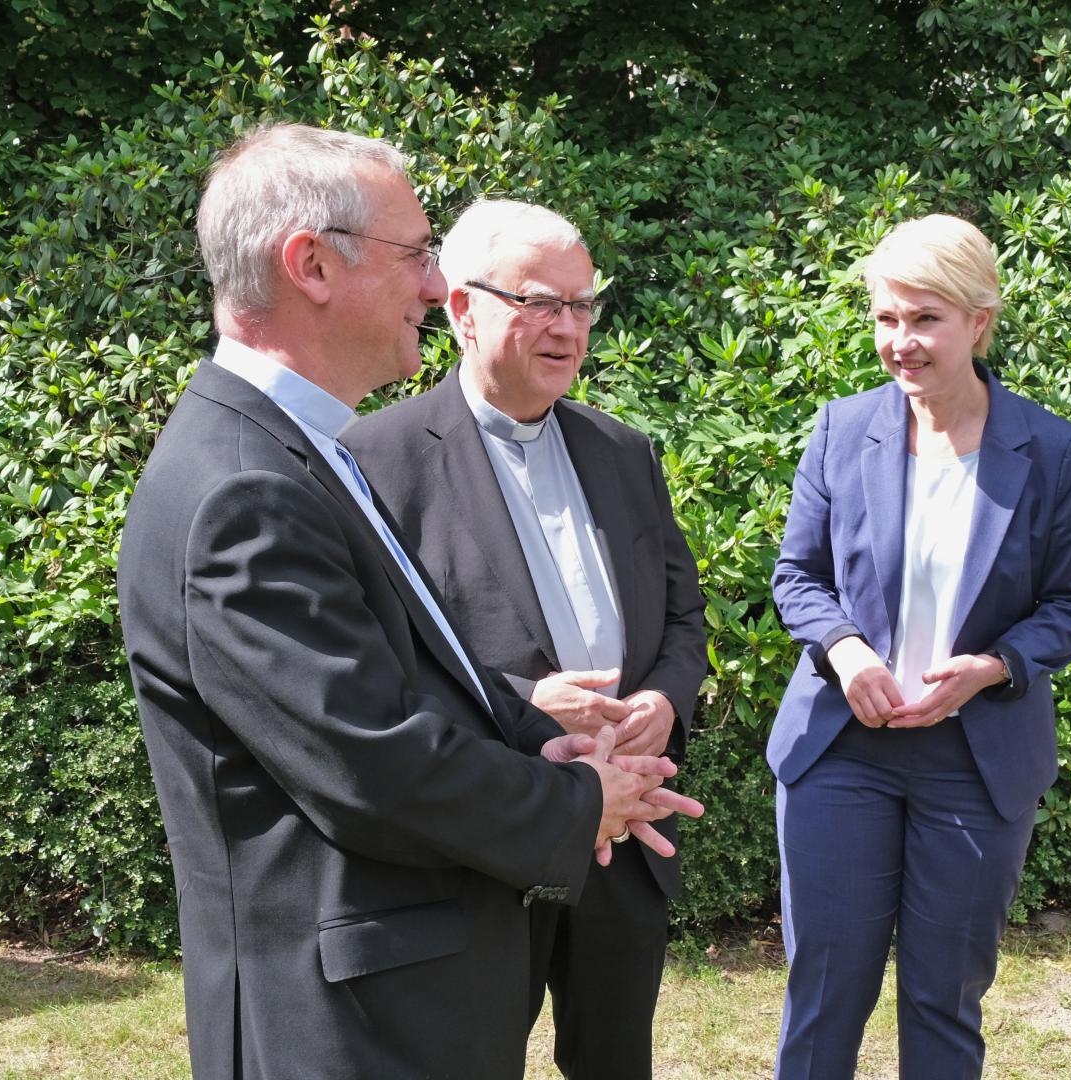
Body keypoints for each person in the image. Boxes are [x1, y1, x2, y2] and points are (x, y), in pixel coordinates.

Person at [117, 123, 699, 1080]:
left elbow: (403, 681)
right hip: (349, 1025)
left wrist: (530, 731)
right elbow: (372, 760)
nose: (437, 288)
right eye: (419, 254)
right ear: (309, 265)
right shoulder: (245, 489)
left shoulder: (300, 450)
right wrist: (578, 797)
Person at [342, 199, 707, 1080]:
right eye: (541, 302)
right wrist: (520, 707)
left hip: (625, 833)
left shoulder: (624, 450)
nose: (568, 328)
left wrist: (664, 699)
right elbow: (373, 666)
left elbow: (684, 615)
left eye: (583, 305)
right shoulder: (373, 459)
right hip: (485, 843)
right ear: (463, 310)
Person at [766, 214, 1071, 1078]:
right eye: (886, 318)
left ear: (979, 321)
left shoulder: (1053, 449)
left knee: (944, 998)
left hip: (976, 760)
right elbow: (797, 578)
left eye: (924, 319)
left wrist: (995, 667)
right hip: (842, 752)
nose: (900, 341)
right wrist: (846, 651)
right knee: (824, 994)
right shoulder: (842, 429)